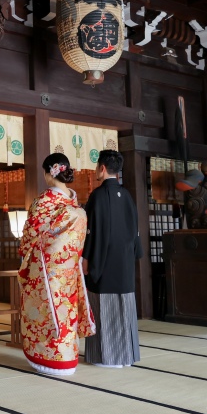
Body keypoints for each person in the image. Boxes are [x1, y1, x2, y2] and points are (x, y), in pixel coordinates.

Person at [18, 152, 95, 376]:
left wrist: (25, 253)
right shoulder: (74, 202)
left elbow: (30, 234)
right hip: (69, 270)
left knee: (44, 313)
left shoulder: (44, 202)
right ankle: (67, 358)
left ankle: (48, 359)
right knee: (65, 313)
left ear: (48, 172)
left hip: (45, 270)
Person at [82, 150, 143, 368]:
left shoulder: (98, 196)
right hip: (124, 262)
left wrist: (86, 257)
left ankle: (106, 357)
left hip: (104, 261)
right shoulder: (126, 195)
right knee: (124, 306)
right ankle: (125, 356)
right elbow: (134, 229)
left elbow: (90, 230)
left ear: (102, 168)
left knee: (104, 307)